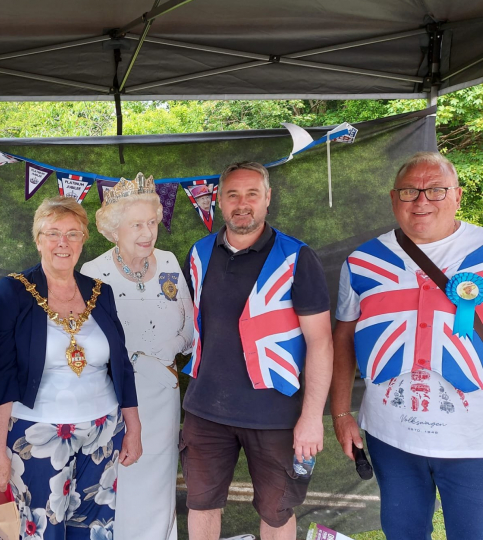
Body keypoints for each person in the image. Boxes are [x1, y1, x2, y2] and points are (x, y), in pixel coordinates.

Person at [330, 152, 483, 540]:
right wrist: (341, 413)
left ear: (458, 196)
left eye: (436, 190)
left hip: (473, 439)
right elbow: (343, 339)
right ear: (393, 198)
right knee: (402, 531)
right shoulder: (361, 261)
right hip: (392, 436)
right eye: (409, 190)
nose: (421, 201)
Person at [182, 162, 333, 540]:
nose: (242, 203)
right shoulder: (198, 254)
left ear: (268, 199)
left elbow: (321, 341)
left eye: (252, 194)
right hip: (206, 411)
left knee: (277, 510)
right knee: (201, 504)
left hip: (276, 414)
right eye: (232, 194)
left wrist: (312, 417)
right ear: (218, 201)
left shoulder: (297, 257)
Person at [0, 196, 141, 540]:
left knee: (95, 528)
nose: (62, 243)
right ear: (37, 239)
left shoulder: (102, 292)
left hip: (103, 431)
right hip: (36, 434)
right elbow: (0, 373)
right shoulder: (13, 291)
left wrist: (133, 427)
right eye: (52, 233)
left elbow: (121, 366)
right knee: (42, 530)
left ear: (84, 240)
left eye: (72, 234)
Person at [80, 173, 193, 540]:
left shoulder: (170, 262)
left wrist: (172, 346)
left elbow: (191, 327)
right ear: (114, 230)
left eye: (151, 223)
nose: (147, 233)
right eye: (135, 225)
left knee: (160, 483)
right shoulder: (93, 273)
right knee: (120, 482)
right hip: (116, 398)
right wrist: (138, 358)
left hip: (163, 393)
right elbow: (87, 343)